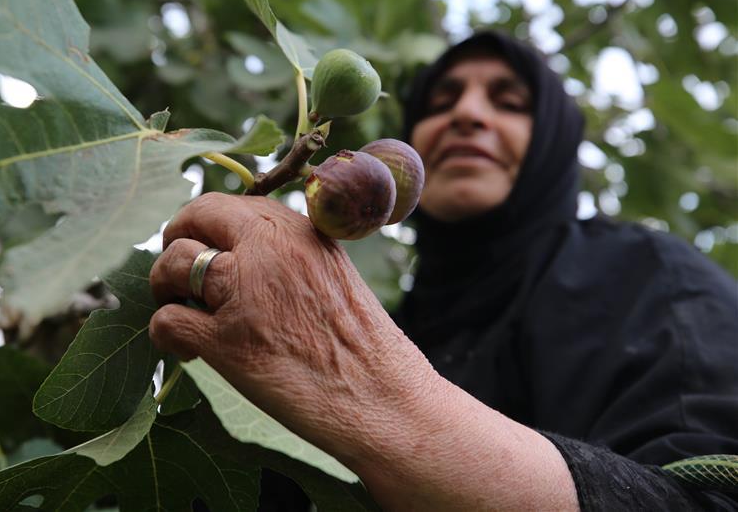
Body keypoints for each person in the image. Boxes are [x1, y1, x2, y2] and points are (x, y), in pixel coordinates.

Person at [148, 31, 738, 511]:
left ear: (553, 143)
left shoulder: (652, 278)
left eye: (509, 102)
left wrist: (370, 388)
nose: (467, 114)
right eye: (440, 102)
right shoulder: (390, 320)